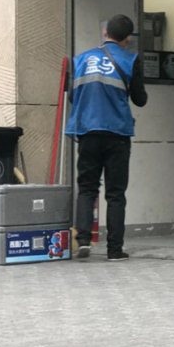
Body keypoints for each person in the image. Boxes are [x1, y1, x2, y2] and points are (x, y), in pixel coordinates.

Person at [66, 14, 148, 261]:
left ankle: (83, 241)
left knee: (87, 188)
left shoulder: (80, 59)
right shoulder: (130, 59)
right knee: (115, 193)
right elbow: (140, 99)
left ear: (105, 33)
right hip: (117, 133)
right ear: (127, 38)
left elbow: (72, 96)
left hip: (87, 131)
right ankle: (114, 249)